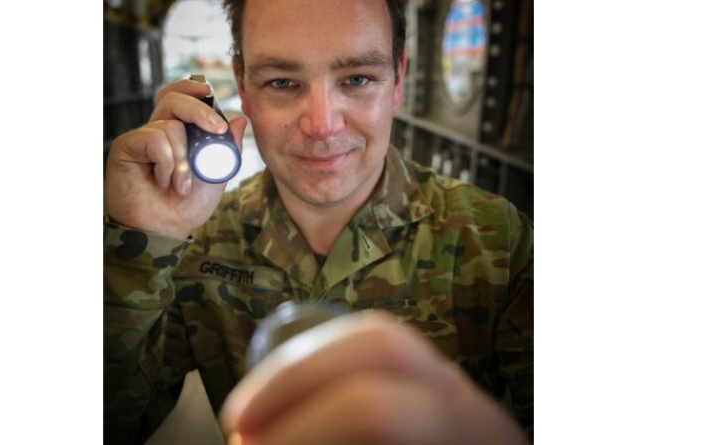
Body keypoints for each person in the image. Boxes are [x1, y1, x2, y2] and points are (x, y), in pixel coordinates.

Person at [104, 0, 533, 444]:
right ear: (243, 87)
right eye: (283, 82)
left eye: (358, 79)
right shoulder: (198, 245)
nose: (322, 125)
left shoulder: (497, 241)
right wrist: (136, 246)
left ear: (398, 80)